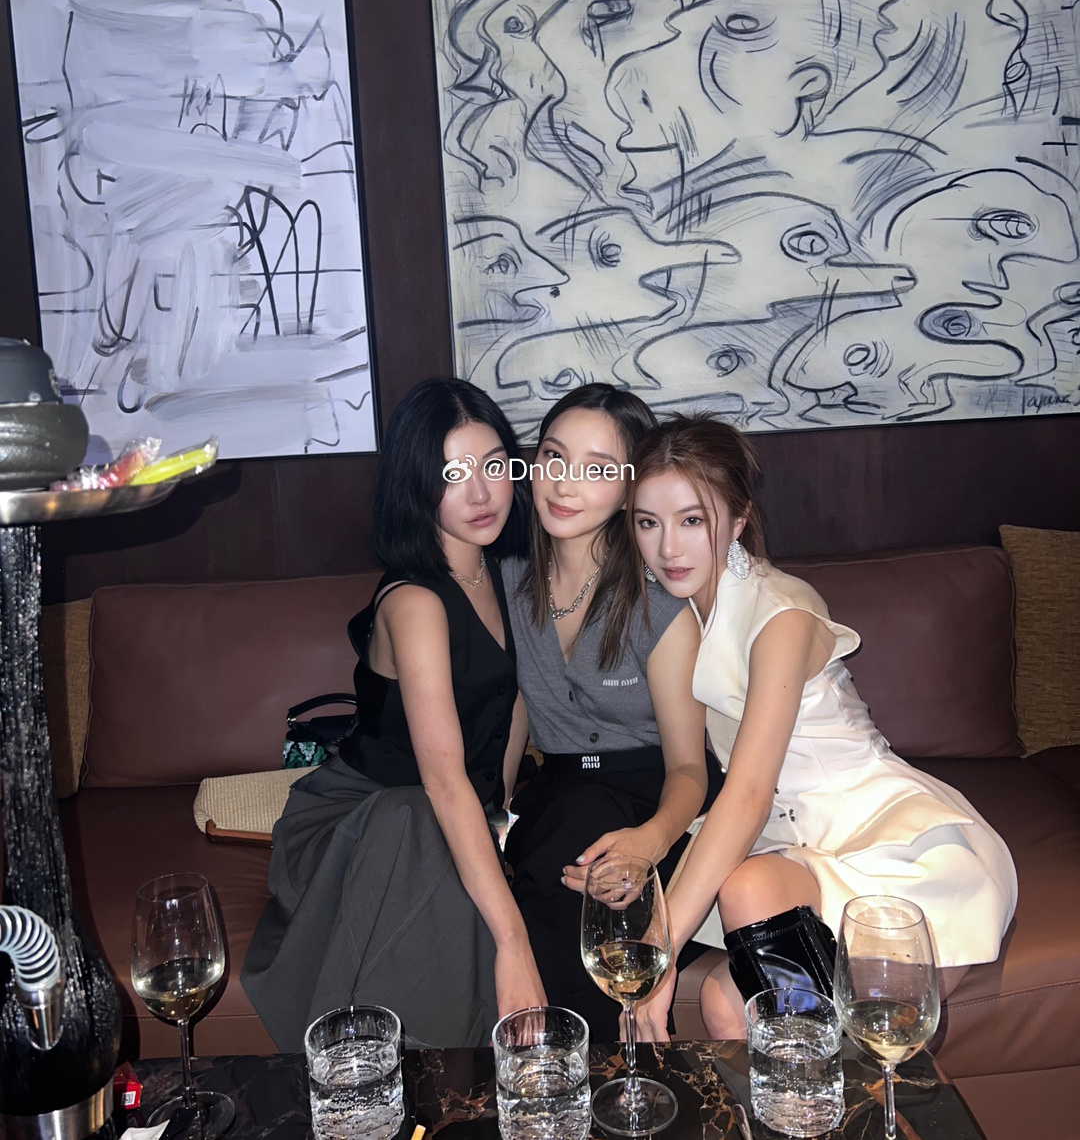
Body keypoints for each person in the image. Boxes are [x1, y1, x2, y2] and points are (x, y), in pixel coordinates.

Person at [620, 414, 1017, 1041]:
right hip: (795, 847)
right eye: (649, 523)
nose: (669, 548)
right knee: (725, 1006)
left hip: (880, 839)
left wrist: (658, 954)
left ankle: (848, 1077)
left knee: (748, 898)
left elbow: (748, 793)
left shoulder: (781, 612)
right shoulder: (680, 615)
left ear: (739, 520)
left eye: (692, 520)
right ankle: (822, 1084)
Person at [242, 378, 546, 1050]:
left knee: (459, 839)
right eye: (452, 475)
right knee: (418, 824)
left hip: (442, 815)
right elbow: (441, 782)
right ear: (415, 485)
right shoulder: (415, 603)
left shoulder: (509, 574)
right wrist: (513, 942)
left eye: (494, 465)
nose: (480, 493)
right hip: (360, 821)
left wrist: (498, 813)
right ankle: (385, 1066)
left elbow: (513, 701)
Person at [502, 384, 717, 1038]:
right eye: (553, 456)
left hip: (653, 799)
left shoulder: (659, 605)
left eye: (597, 469)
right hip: (560, 794)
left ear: (629, 490)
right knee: (564, 836)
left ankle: (572, 1059)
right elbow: (514, 706)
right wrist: (493, 809)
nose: (565, 483)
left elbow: (689, 767)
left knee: (589, 853)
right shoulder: (507, 580)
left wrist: (649, 844)